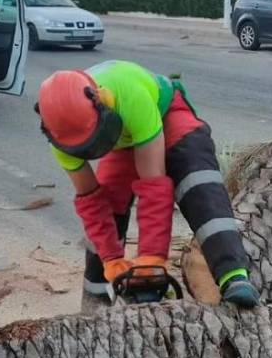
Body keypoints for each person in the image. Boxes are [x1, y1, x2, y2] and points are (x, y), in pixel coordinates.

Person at [35, 60, 259, 307]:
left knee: (196, 175)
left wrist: (152, 260)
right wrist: (111, 260)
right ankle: (95, 298)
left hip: (164, 113)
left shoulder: (130, 95)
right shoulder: (61, 136)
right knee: (109, 201)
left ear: (102, 101)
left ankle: (234, 275)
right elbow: (91, 200)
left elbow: (154, 186)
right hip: (121, 138)